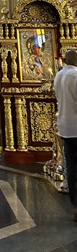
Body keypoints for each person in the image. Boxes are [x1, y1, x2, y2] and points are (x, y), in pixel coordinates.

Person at [53, 49, 77, 222]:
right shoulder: (75, 76)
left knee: (72, 166)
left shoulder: (59, 75)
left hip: (65, 127)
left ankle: (75, 204)